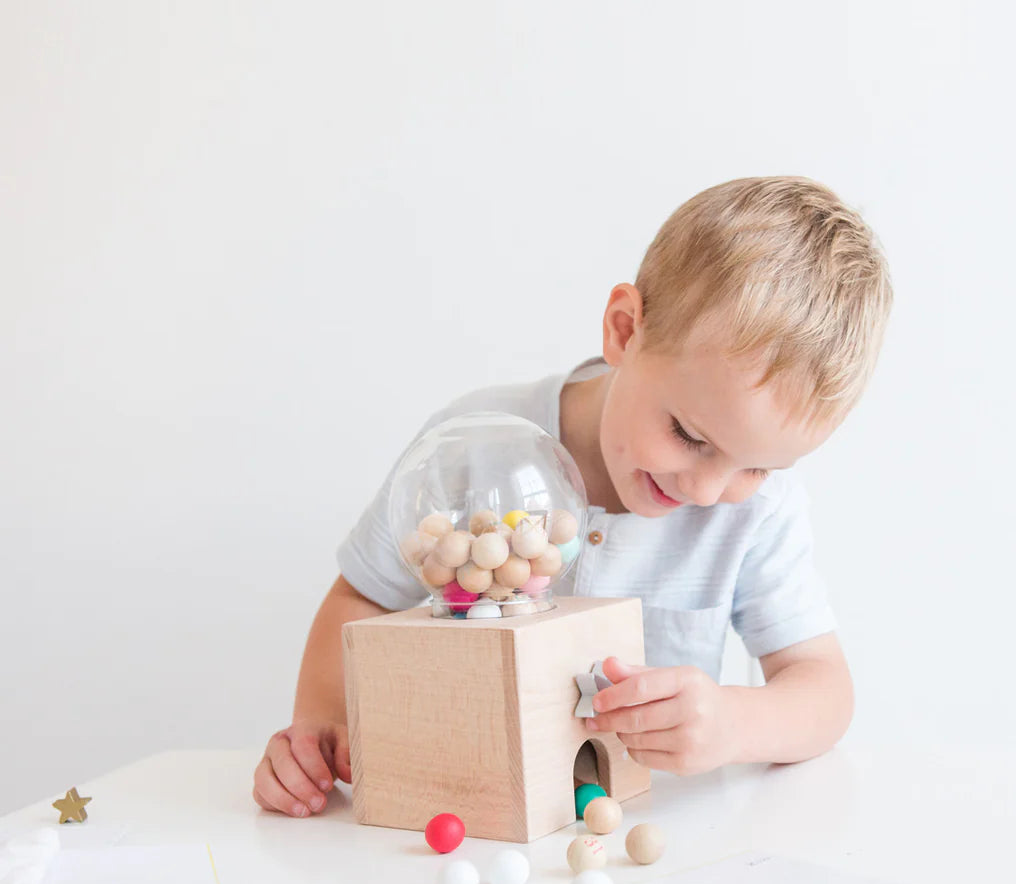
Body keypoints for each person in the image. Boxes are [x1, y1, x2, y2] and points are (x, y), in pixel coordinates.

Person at [253, 176, 893, 818]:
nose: (706, 489)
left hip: (638, 842)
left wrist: (733, 722)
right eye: (688, 435)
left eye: (754, 467)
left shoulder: (759, 511)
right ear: (624, 330)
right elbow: (361, 596)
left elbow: (824, 689)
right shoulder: (477, 444)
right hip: (467, 818)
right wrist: (321, 725)